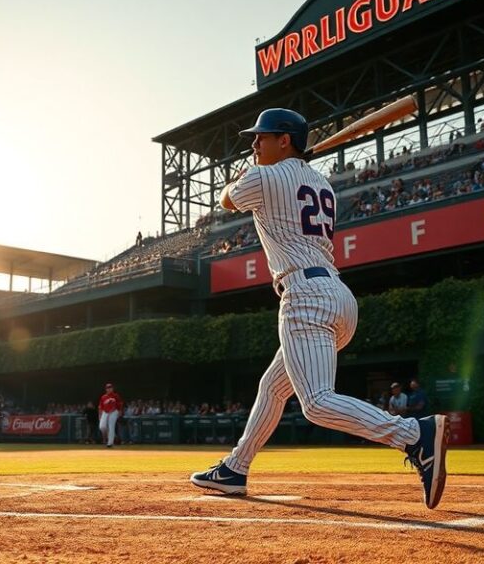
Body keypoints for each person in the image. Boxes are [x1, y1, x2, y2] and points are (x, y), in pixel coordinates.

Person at [189, 108, 450, 509]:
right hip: (337, 296)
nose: (254, 143)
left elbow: (227, 200)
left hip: (304, 295)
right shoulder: (319, 181)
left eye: (263, 136)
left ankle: (413, 434)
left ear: (286, 140)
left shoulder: (263, 176)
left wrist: (243, 175)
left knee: (316, 402)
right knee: (274, 388)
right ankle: (235, 468)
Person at [98, 382, 123, 448]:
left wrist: (120, 411)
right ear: (106, 389)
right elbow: (100, 406)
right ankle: (111, 435)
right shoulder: (103, 397)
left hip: (114, 412)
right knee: (102, 426)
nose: (109, 389)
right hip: (105, 412)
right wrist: (100, 414)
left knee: (111, 426)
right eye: (108, 388)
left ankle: (110, 443)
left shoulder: (116, 396)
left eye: (110, 388)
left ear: (112, 389)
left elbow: (120, 404)